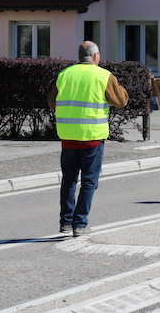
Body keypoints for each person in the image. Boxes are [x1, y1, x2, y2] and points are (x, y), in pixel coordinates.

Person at [47, 41, 128, 236]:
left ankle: (66, 222)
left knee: (69, 180)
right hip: (92, 136)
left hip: (68, 137)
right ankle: (80, 224)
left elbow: (51, 102)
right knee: (89, 181)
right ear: (96, 56)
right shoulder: (103, 76)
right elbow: (121, 100)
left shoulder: (64, 75)